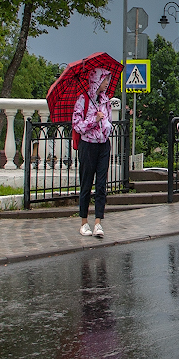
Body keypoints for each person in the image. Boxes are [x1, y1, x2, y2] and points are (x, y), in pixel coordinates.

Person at [73, 67, 116, 238]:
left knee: (101, 185)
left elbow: (110, 122)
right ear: (97, 80)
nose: (107, 83)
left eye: (107, 80)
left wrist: (105, 124)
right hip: (88, 146)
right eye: (105, 80)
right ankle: (84, 222)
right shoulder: (82, 100)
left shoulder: (105, 102)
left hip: (103, 145)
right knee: (86, 183)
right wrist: (94, 120)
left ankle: (98, 222)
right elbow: (77, 125)